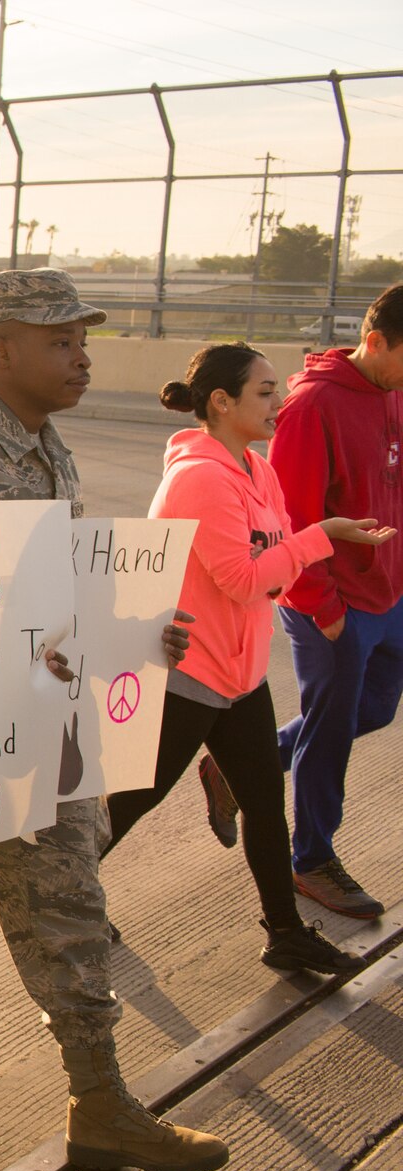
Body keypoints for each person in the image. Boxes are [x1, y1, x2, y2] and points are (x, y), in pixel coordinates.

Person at [0, 268, 227, 1171]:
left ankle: (100, 1101)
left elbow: (63, 588)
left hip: (43, 735)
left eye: (84, 341)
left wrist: (137, 630)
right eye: (61, 340)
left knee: (73, 913)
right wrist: (19, 647)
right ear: (0, 350)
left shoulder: (50, 449)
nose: (80, 357)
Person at [103, 344, 389, 975]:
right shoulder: (198, 477)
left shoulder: (258, 470)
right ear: (221, 402)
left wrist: (299, 554)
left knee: (263, 801)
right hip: (189, 674)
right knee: (129, 803)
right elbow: (243, 577)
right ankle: (62, 903)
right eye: (264, 392)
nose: (277, 401)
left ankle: (285, 932)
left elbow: (274, 573)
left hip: (242, 672)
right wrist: (323, 537)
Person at [258, 282, 403, 919]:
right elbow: (288, 518)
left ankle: (249, 765)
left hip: (390, 593)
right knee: (334, 728)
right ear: (375, 342)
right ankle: (311, 861)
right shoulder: (311, 406)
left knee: (374, 709)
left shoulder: (394, 392)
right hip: (331, 598)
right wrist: (323, 604)